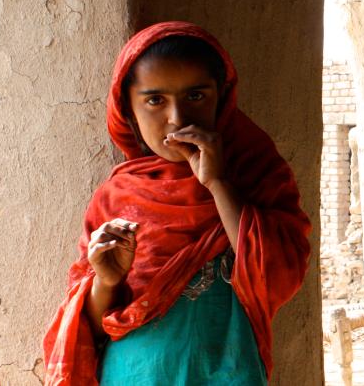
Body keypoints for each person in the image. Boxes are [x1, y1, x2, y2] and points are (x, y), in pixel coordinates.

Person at [42, 21, 311, 385]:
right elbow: (91, 326)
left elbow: (278, 277)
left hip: (226, 372)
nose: (177, 118)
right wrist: (106, 280)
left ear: (221, 97)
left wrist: (217, 183)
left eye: (196, 96)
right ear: (128, 110)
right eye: (155, 100)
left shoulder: (255, 174)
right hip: (134, 375)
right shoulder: (118, 195)